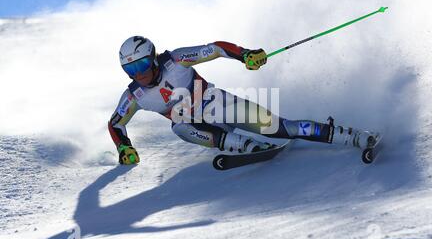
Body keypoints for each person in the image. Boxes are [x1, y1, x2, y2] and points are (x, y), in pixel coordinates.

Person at [108, 36, 378, 165]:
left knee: (286, 128)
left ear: (153, 58)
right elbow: (116, 124)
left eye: (142, 64)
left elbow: (215, 49)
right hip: (202, 129)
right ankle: (245, 146)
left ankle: (352, 136)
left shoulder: (176, 59)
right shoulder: (135, 96)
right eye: (131, 70)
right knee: (179, 126)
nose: (139, 74)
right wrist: (124, 148)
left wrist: (245, 55)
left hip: (219, 105)